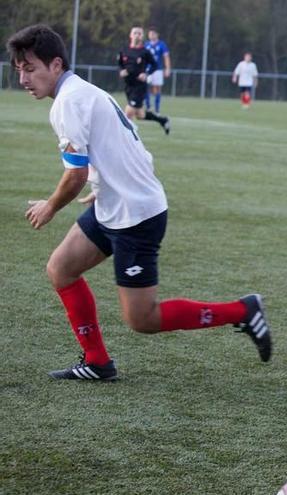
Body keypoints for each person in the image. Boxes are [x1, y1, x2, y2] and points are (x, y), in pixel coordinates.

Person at [7, 24, 272, 381]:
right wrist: (105, 185)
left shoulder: (69, 102)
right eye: (18, 69)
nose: (23, 77)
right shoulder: (82, 92)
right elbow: (130, 151)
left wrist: (51, 205)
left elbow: (75, 175)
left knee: (142, 319)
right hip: (112, 206)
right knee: (61, 269)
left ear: (56, 65)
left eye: (30, 68)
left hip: (136, 217)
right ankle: (97, 361)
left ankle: (242, 310)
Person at [118, 26, 170, 134]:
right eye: (135, 33)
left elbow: (155, 65)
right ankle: (163, 120)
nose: (137, 35)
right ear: (130, 35)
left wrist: (146, 74)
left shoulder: (145, 52)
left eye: (139, 33)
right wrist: (122, 71)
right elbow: (120, 65)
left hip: (139, 86)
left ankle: (128, 136)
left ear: (142, 37)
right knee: (140, 115)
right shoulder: (124, 50)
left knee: (128, 113)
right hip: (128, 86)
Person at [144, 27, 171, 113]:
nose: (151, 35)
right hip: (147, 70)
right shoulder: (146, 44)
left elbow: (166, 57)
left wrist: (167, 68)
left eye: (153, 33)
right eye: (150, 33)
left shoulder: (162, 44)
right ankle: (148, 107)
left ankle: (157, 109)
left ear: (157, 34)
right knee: (145, 87)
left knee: (157, 89)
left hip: (158, 70)